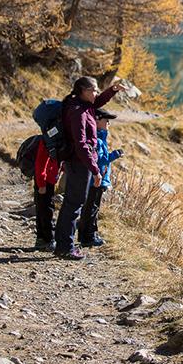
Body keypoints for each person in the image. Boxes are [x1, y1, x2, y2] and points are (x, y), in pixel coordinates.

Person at [54, 76, 126, 260]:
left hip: (80, 162)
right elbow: (81, 144)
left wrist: (112, 90)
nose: (96, 93)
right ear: (83, 91)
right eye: (93, 90)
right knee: (74, 203)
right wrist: (94, 169)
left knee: (72, 202)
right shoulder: (78, 112)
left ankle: (63, 244)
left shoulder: (82, 105)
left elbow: (98, 101)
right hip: (80, 163)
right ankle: (65, 247)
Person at [78, 109, 123, 247]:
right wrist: (115, 154)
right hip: (96, 180)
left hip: (96, 179)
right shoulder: (97, 139)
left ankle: (88, 235)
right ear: (96, 120)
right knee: (92, 208)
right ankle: (89, 236)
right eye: (106, 120)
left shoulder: (99, 137)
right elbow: (100, 160)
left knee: (91, 207)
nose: (108, 122)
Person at [33, 141, 61, 251]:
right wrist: (41, 184)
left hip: (47, 180)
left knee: (41, 208)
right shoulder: (49, 141)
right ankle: (49, 239)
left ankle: (41, 239)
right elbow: (41, 163)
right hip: (45, 181)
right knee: (46, 209)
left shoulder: (53, 140)